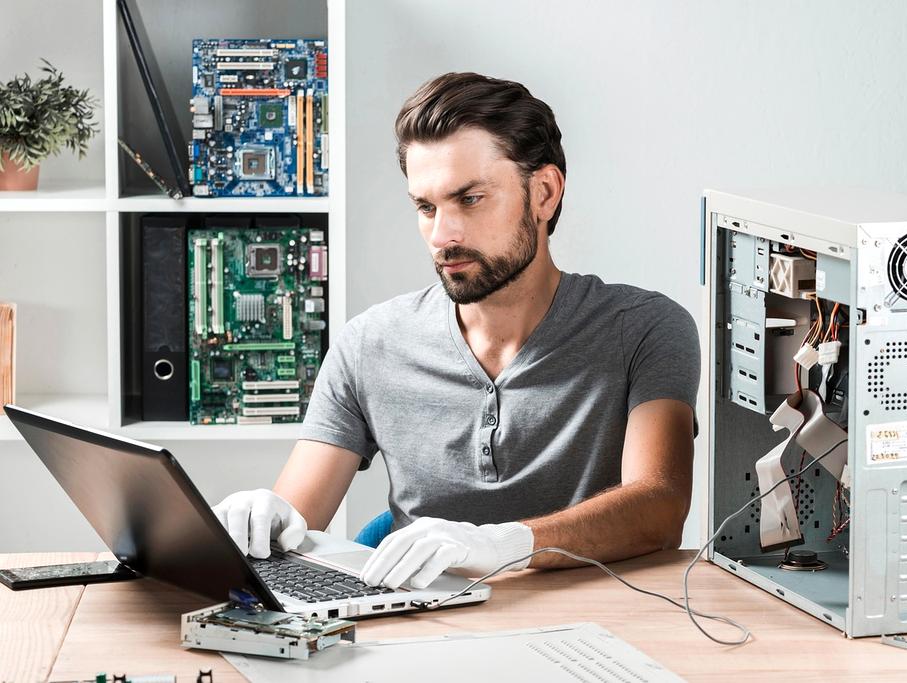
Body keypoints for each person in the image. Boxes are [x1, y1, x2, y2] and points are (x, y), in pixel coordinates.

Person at [214, 72, 700, 591]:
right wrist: (266, 517)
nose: (442, 236)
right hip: (417, 628)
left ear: (544, 193)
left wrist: (504, 544)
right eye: (426, 207)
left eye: (469, 199)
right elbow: (298, 521)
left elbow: (660, 508)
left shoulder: (645, 329)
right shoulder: (370, 344)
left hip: (591, 626)